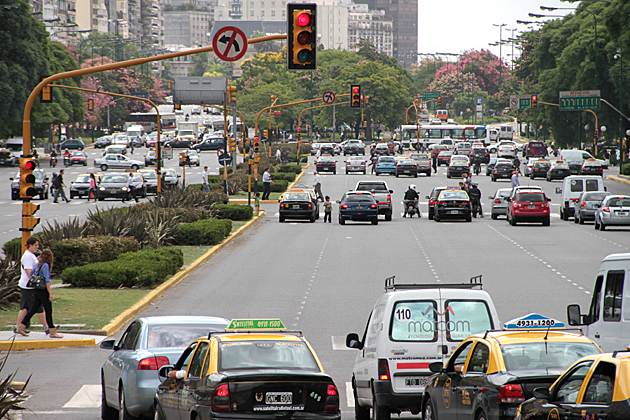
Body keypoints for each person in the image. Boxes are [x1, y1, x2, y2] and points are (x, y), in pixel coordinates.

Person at [16, 249, 62, 338]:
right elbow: (46, 280)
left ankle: (21, 327)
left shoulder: (39, 264)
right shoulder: (45, 266)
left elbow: (32, 273)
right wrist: (50, 292)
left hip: (36, 289)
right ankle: (52, 331)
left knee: (33, 309)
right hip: (43, 290)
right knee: (48, 310)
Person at [14, 237, 48, 336]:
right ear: (30, 245)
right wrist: (35, 282)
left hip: (26, 286)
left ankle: (18, 327)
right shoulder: (28, 256)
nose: (37, 247)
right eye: (35, 245)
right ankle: (47, 327)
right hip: (29, 287)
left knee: (24, 307)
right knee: (38, 307)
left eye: (38, 245)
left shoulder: (30, 255)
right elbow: (29, 271)